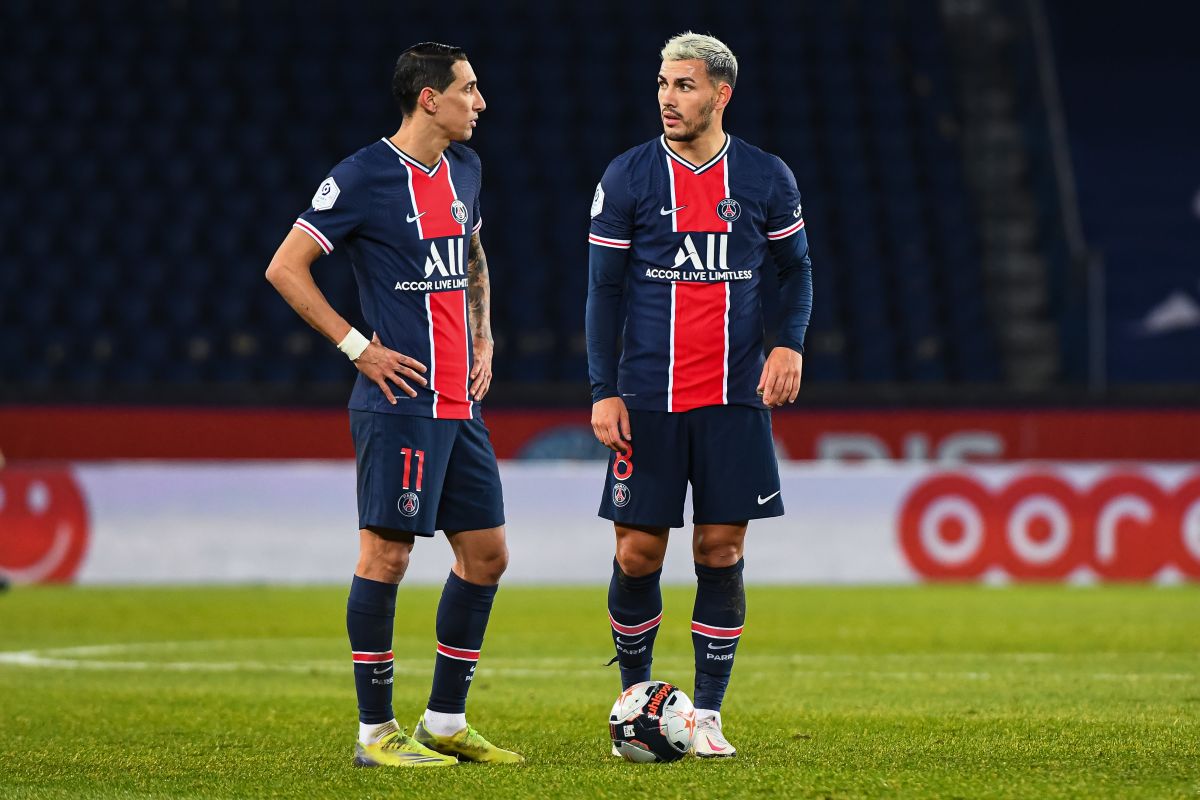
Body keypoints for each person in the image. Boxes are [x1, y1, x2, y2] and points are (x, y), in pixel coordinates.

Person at [265, 42, 522, 768]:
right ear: (428, 99)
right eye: (469, 90)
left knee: (487, 555)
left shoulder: (466, 169)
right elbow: (285, 267)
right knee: (387, 556)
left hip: (457, 404)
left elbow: (471, 256)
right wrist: (359, 348)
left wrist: (484, 338)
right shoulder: (363, 177)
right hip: (399, 400)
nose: (480, 102)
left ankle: (444, 720)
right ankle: (375, 734)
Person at [586, 32, 813, 758]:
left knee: (720, 550)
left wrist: (789, 341)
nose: (666, 97)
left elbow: (797, 270)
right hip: (647, 398)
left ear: (722, 93)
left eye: (683, 85)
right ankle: (638, 702)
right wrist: (603, 388)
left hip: (732, 400)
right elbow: (603, 290)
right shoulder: (627, 177)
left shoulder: (764, 177)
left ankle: (706, 714)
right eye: (661, 83)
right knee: (636, 555)